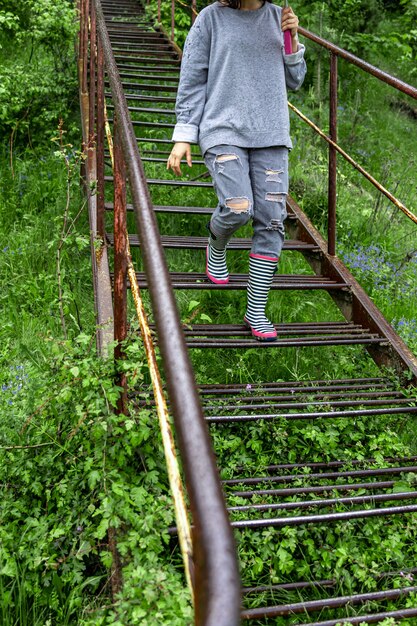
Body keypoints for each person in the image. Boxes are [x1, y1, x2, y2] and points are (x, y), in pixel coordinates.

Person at [167, 0, 306, 341]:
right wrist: (184, 134)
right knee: (237, 206)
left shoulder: (279, 17)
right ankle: (216, 244)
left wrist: (292, 39)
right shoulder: (210, 19)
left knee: (273, 220)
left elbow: (296, 81)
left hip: (271, 132)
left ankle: (255, 311)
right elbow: (192, 78)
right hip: (222, 127)